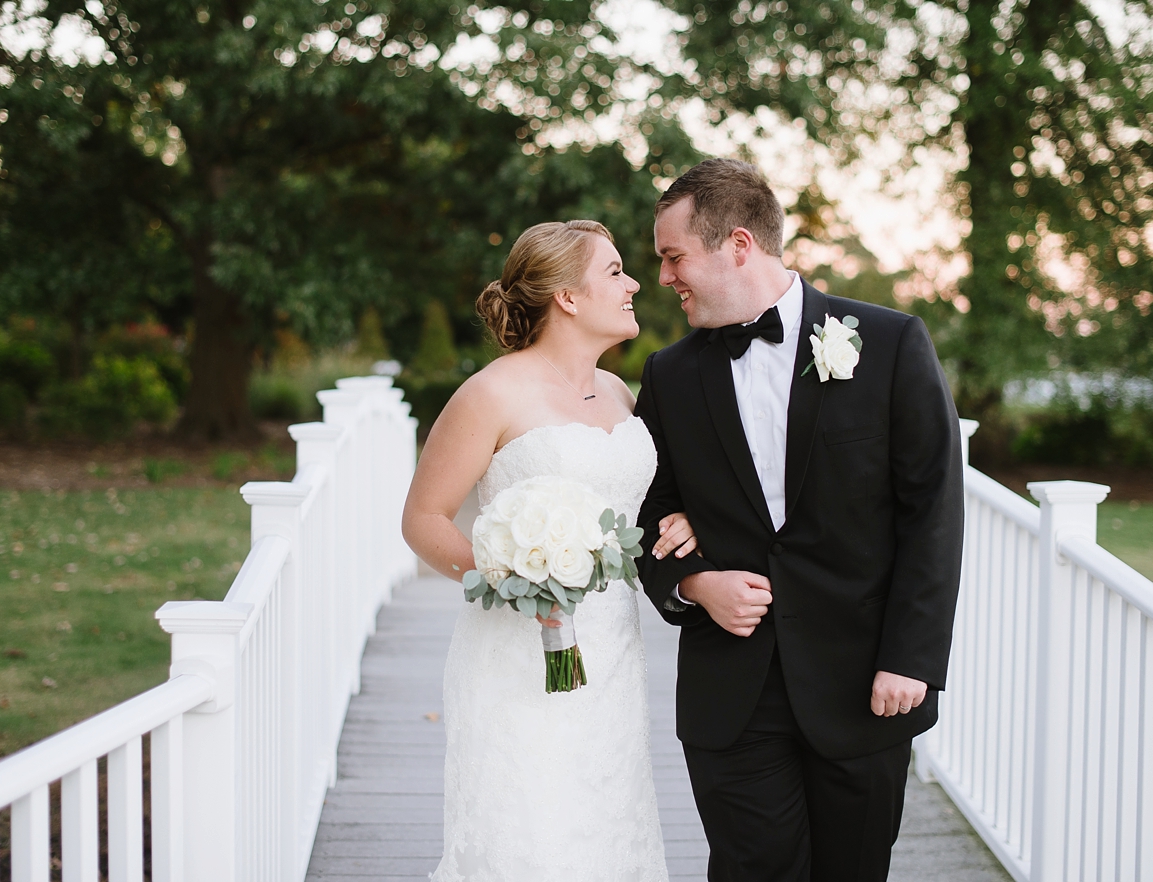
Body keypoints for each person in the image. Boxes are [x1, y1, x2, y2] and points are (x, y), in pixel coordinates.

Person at [635, 159, 964, 882]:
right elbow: (644, 515)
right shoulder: (669, 375)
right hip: (733, 689)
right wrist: (693, 585)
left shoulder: (888, 343)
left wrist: (911, 657)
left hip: (864, 683)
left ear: (739, 245)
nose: (663, 277)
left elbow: (932, 510)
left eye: (672, 256)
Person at [402, 220, 697, 881]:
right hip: (515, 651)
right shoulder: (490, 394)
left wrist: (682, 521)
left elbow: (638, 511)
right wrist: (506, 579)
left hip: (613, 658)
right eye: (616, 271)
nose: (634, 283)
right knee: (531, 828)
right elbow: (422, 518)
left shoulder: (620, 395)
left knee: (604, 819)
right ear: (566, 296)